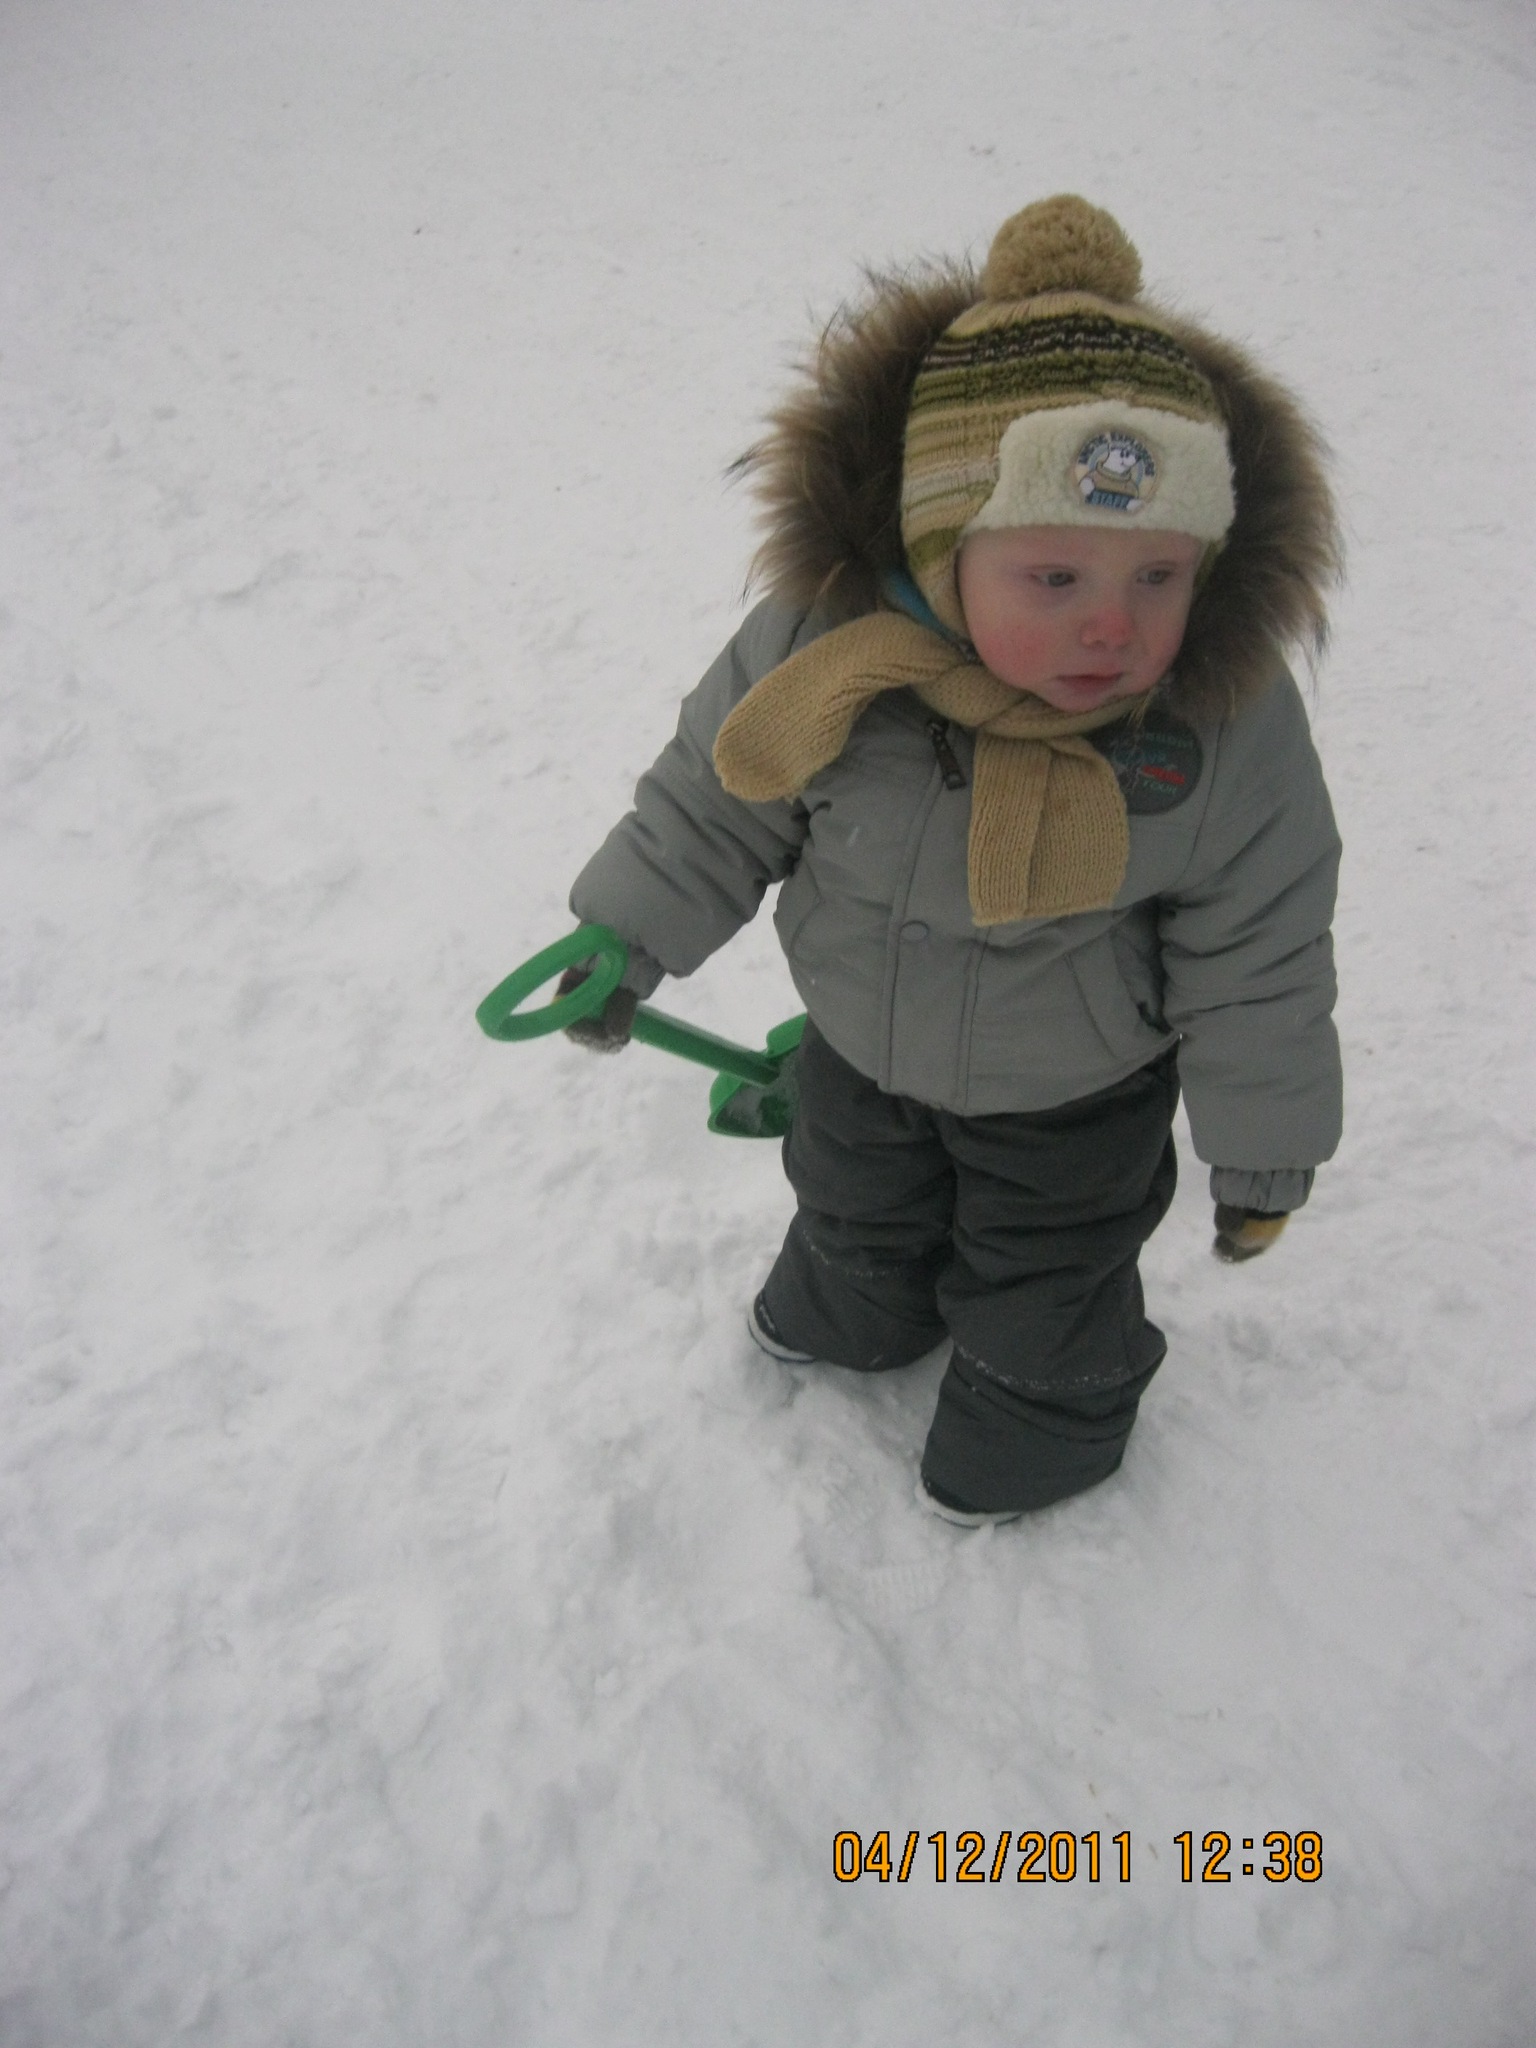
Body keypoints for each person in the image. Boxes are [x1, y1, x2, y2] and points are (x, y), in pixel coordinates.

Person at [559, 195, 1343, 1526]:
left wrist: (1264, 1142)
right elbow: (715, 804)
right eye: (1056, 579)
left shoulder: (1217, 723)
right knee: (852, 1204)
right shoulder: (828, 655)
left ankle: (1042, 1419)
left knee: (1049, 1281)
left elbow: (1260, 941)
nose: (1114, 628)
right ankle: (859, 1307)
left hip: (1074, 1093)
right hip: (859, 1045)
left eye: (1159, 577)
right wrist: (624, 938)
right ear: (942, 548)